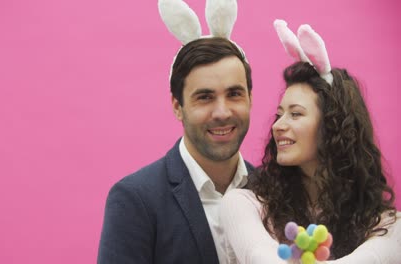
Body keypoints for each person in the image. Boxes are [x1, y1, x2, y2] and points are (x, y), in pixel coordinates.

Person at [219, 20, 400, 264]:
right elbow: (258, 256)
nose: (278, 125)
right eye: (279, 114)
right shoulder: (243, 205)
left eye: (295, 114)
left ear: (331, 126)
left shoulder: (389, 225)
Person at [98, 0, 255, 262]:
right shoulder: (135, 200)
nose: (222, 112)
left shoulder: (274, 190)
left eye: (234, 94)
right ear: (177, 106)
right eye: (204, 97)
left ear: (250, 97)